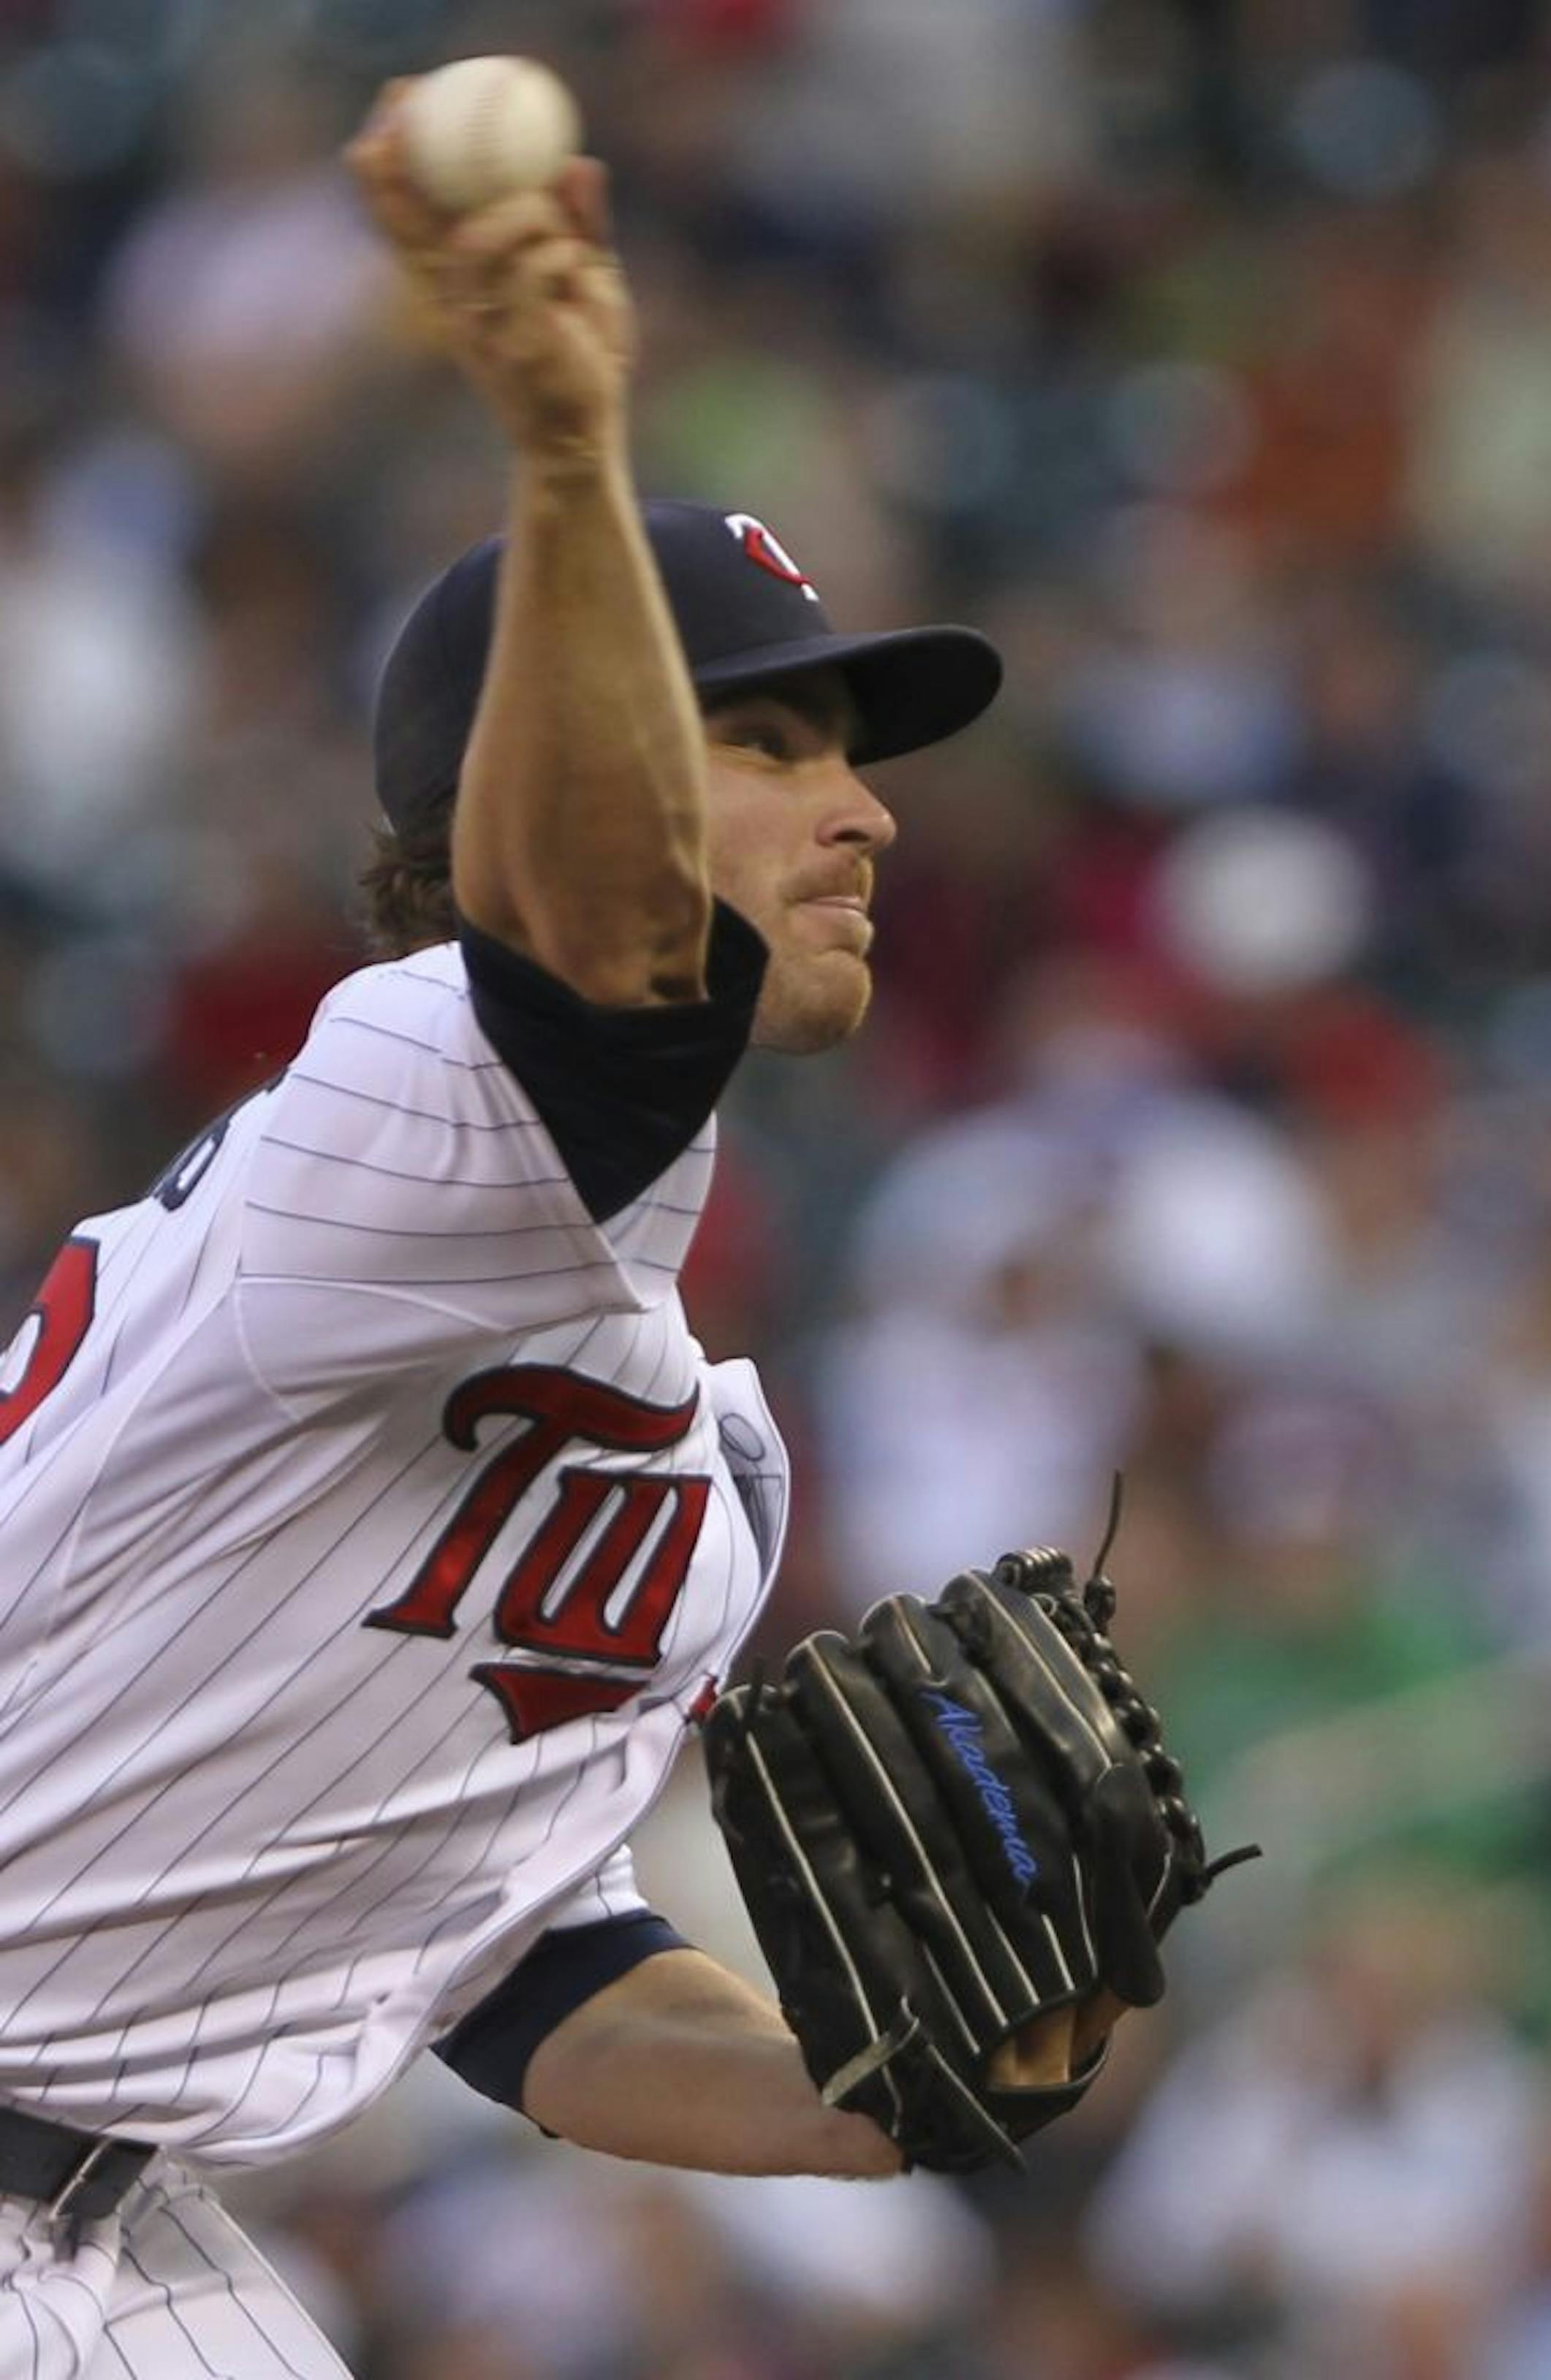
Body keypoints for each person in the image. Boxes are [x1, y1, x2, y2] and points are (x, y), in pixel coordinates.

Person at [0, 91, 1004, 2377]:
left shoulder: (681, 1467)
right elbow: (589, 945)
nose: (859, 807)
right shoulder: (421, 1076)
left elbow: (506, 1962)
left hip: (120, 2223)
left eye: (856, 744)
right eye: (761, 744)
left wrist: (873, 2098)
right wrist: (562, 452)